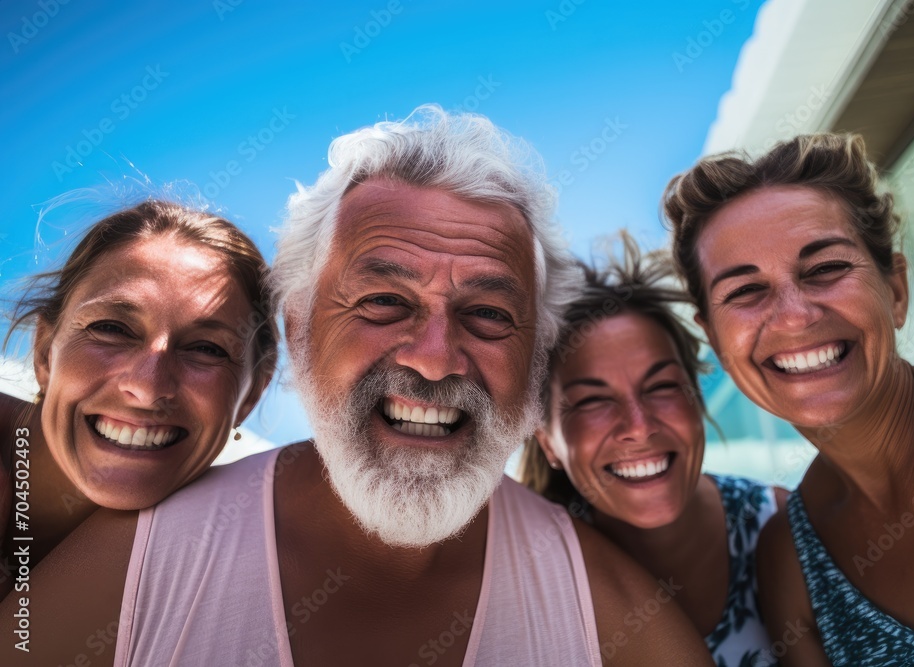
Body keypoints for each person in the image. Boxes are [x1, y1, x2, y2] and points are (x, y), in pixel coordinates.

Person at [4, 106, 714, 666]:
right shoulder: (135, 566)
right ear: (302, 330)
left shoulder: (614, 617)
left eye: (490, 314)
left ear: (536, 364)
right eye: (382, 303)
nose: (436, 362)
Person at [661, 132, 914, 665]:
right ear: (717, 344)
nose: (795, 316)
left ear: (896, 290)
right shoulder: (789, 562)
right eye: (745, 292)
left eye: (826, 269)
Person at [519, 232, 786, 666]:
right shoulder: (529, 584)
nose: (639, 428)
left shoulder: (791, 531)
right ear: (547, 441)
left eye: (662, 387)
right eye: (592, 401)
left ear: (696, 398)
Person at [0, 200, 276, 590]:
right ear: (45, 351)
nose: (148, 388)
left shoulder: (225, 576)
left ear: (249, 398)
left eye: (207, 349)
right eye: (112, 328)